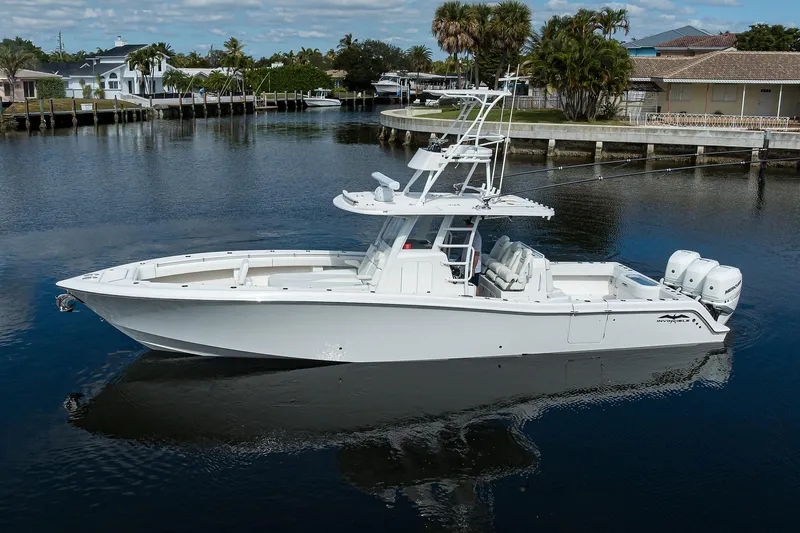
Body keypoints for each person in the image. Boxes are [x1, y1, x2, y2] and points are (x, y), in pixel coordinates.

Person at [462, 217, 483, 290]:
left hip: (473, 266)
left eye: (468, 223)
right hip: (467, 265)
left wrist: (473, 269)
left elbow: (476, 254)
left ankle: (477, 299)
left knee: (474, 287)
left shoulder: (476, 237)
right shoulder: (469, 234)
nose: (466, 225)